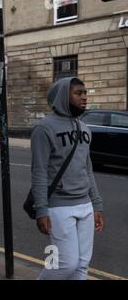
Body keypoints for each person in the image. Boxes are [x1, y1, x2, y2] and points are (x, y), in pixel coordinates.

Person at [31, 77, 104, 280]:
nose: (84, 98)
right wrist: (41, 209)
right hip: (58, 206)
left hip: (85, 205)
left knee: (82, 265)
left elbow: (87, 169)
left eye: (85, 93)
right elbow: (39, 171)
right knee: (64, 265)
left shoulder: (85, 129)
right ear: (63, 96)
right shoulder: (44, 128)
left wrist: (97, 205)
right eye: (78, 93)